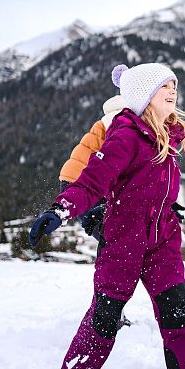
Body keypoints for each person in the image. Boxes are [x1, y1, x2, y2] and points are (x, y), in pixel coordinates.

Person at [29, 62, 185, 369]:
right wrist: (61, 209)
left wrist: (167, 210)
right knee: (104, 316)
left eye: (174, 85)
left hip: (162, 241)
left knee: (179, 314)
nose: (173, 90)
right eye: (164, 85)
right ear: (145, 94)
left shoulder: (170, 136)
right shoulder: (126, 134)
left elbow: (157, 187)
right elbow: (92, 180)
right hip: (123, 243)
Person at [57, 94, 132, 330]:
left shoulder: (111, 118)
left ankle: (108, 311)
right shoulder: (119, 117)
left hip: (79, 182)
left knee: (113, 246)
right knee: (114, 246)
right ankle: (105, 314)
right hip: (85, 187)